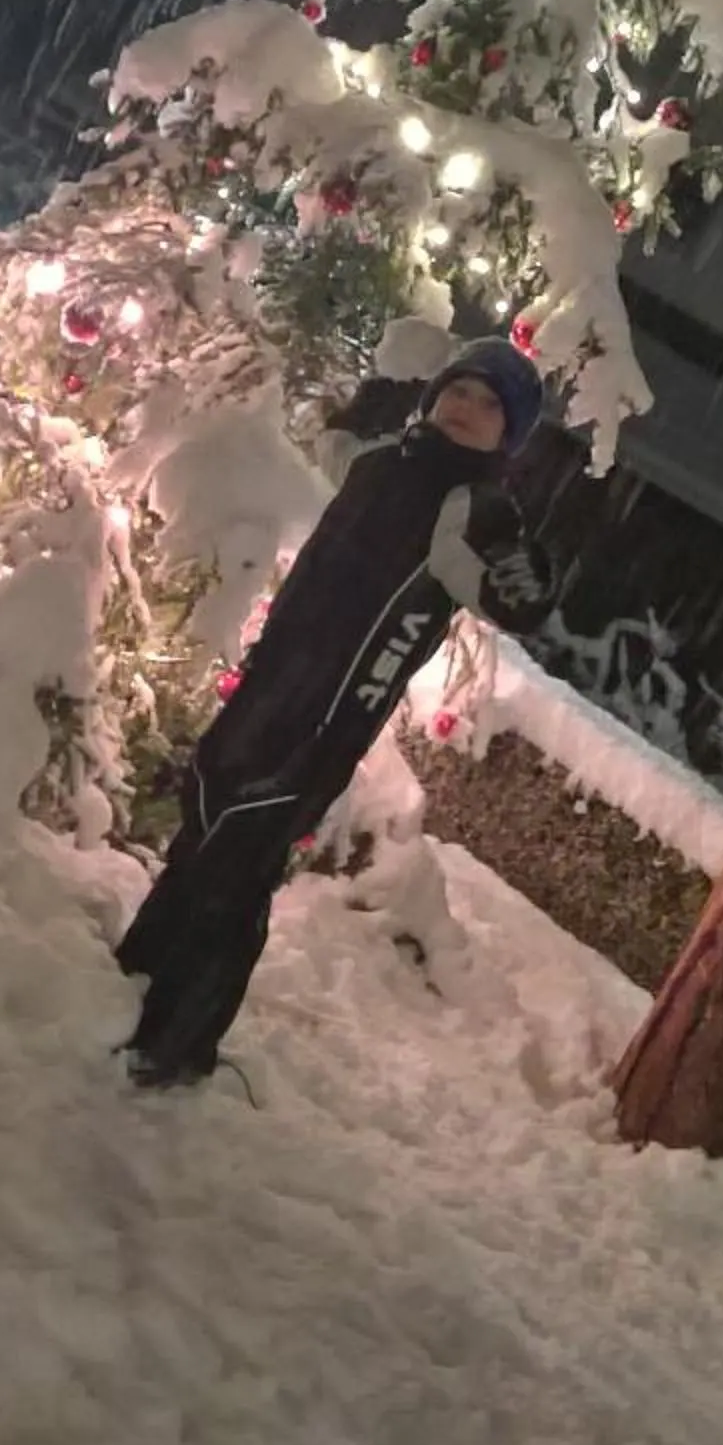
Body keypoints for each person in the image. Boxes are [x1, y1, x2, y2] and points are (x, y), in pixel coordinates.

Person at [116, 336, 553, 1088]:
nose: (466, 411)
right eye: (460, 392)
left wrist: (519, 559)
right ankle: (135, 975)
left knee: (243, 863)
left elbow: (521, 599)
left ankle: (175, 1042)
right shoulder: (382, 467)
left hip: (330, 715)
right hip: (275, 678)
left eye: (489, 407)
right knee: (208, 811)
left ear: (507, 436)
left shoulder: (472, 508)